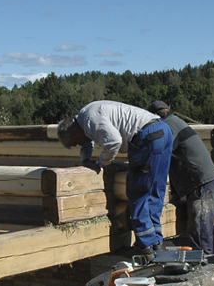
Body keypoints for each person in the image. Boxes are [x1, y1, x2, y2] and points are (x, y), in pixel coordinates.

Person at [57, 100, 173, 256]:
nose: (80, 145)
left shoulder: (91, 119)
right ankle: (157, 242)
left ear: (75, 133)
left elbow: (114, 142)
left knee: (138, 191)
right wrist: (85, 160)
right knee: (156, 189)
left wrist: (100, 163)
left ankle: (145, 246)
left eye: (76, 143)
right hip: (163, 131)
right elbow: (87, 142)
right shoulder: (86, 118)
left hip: (147, 137)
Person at [147, 100, 214, 254]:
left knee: (199, 227)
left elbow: (161, 154)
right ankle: (200, 256)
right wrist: (175, 194)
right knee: (198, 225)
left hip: (203, 183)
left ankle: (203, 259)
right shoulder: (174, 122)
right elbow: (174, 162)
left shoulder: (169, 127)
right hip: (202, 181)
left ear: (154, 116)